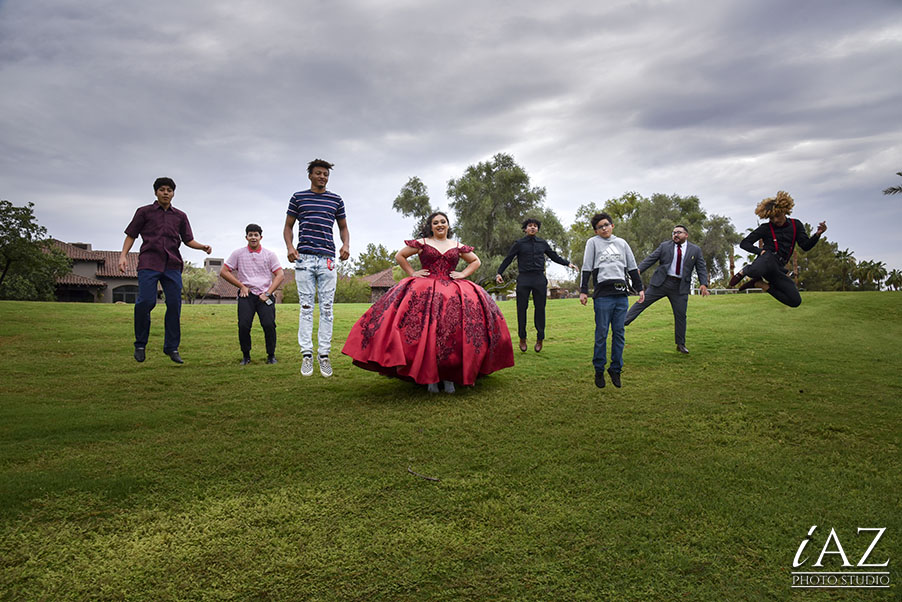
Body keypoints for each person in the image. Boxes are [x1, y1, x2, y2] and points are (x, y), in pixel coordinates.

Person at [342, 211, 514, 393]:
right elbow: (400, 256)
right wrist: (412, 272)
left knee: (453, 332)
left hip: (452, 290)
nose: (440, 225)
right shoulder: (423, 243)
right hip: (424, 288)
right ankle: (428, 378)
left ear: (448, 225)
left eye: (443, 222)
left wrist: (462, 274)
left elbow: (475, 261)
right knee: (423, 332)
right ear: (430, 227)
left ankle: (449, 377)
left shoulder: (456, 245)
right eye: (435, 223)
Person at [119, 177, 212, 364]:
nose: (166, 193)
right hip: (149, 263)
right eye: (162, 189)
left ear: (173, 193)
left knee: (174, 305)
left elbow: (187, 240)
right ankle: (140, 344)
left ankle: (171, 347)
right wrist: (123, 256)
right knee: (145, 302)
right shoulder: (144, 212)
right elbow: (131, 235)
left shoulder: (180, 216)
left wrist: (202, 247)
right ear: (155, 192)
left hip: (172, 266)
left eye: (169, 190)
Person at [283, 159, 350, 378]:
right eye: (318, 173)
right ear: (310, 175)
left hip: (328, 259)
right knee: (305, 307)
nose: (322, 177)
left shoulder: (335, 200)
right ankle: (306, 355)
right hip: (304, 258)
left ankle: (324, 355)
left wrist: (346, 245)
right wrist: (290, 247)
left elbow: (343, 228)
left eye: (325, 174)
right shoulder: (298, 198)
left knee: (328, 308)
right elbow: (288, 227)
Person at [579, 212, 644, 389]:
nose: (604, 228)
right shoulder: (592, 243)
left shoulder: (622, 243)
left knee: (619, 333)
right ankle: (599, 370)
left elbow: (632, 267)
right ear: (595, 231)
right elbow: (586, 267)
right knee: (601, 333)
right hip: (602, 296)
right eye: (600, 227)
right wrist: (583, 291)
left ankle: (615, 369)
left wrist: (640, 288)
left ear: (612, 225)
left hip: (621, 296)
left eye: (606, 225)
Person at [729, 191, 827, 307]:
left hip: (778, 268)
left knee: (795, 301)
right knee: (755, 270)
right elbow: (745, 243)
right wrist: (760, 251)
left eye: (778, 216)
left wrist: (817, 235)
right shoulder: (765, 228)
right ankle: (746, 270)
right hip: (767, 259)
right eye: (771, 217)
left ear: (785, 211)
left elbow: (805, 246)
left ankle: (759, 284)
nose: (775, 220)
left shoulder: (796, 225)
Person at [623, 224, 709, 354]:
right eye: (674, 232)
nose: (675, 235)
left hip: (680, 287)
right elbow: (651, 259)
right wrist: (638, 270)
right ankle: (622, 323)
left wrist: (704, 283)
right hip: (661, 283)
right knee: (642, 302)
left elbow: (701, 267)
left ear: (686, 235)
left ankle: (680, 344)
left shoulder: (695, 250)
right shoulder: (665, 246)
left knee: (680, 316)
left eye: (679, 232)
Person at [496, 218, 577, 353]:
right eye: (530, 226)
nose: (533, 228)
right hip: (524, 278)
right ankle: (522, 337)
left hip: (539, 278)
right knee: (521, 309)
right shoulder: (519, 244)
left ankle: (540, 338)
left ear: (537, 229)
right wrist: (499, 272)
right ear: (525, 229)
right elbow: (508, 258)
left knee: (540, 309)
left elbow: (554, 256)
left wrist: (567, 263)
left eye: (535, 226)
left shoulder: (542, 243)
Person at [220, 224, 285, 366]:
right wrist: (241, 286)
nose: (253, 237)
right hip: (247, 295)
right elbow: (224, 271)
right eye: (250, 235)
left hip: (264, 296)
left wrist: (268, 293)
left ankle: (271, 356)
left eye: (256, 235)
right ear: (246, 237)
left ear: (261, 237)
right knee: (243, 326)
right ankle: (246, 356)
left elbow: (280, 275)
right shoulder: (238, 254)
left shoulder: (269, 254)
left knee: (269, 325)